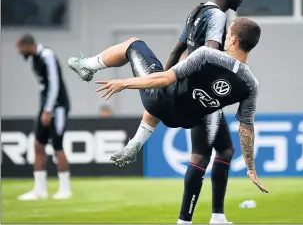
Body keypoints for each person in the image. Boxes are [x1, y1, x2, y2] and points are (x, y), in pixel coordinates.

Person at [67, 19, 268, 198]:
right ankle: (135, 144)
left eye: (228, 34)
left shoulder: (209, 55)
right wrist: (250, 168)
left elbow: (163, 79)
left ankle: (87, 65)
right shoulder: (251, 84)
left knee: (134, 45)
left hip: (160, 102)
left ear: (233, 41)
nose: (225, 38)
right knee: (181, 96)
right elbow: (246, 128)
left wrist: (124, 83)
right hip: (184, 121)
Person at [161, 0, 245, 224]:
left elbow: (177, 49)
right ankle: (186, 220)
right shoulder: (219, 16)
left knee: (224, 149)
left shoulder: (197, 11)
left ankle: (216, 216)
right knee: (201, 155)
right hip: (202, 93)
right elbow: (208, 54)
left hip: (190, 89)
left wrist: (164, 82)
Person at [16, 34, 72, 201]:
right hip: (45, 107)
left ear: (29, 45)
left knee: (57, 146)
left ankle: (65, 189)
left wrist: (48, 109)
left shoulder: (47, 56)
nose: (20, 52)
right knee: (38, 144)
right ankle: (39, 190)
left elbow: (54, 83)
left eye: (21, 48)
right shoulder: (34, 59)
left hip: (58, 106)